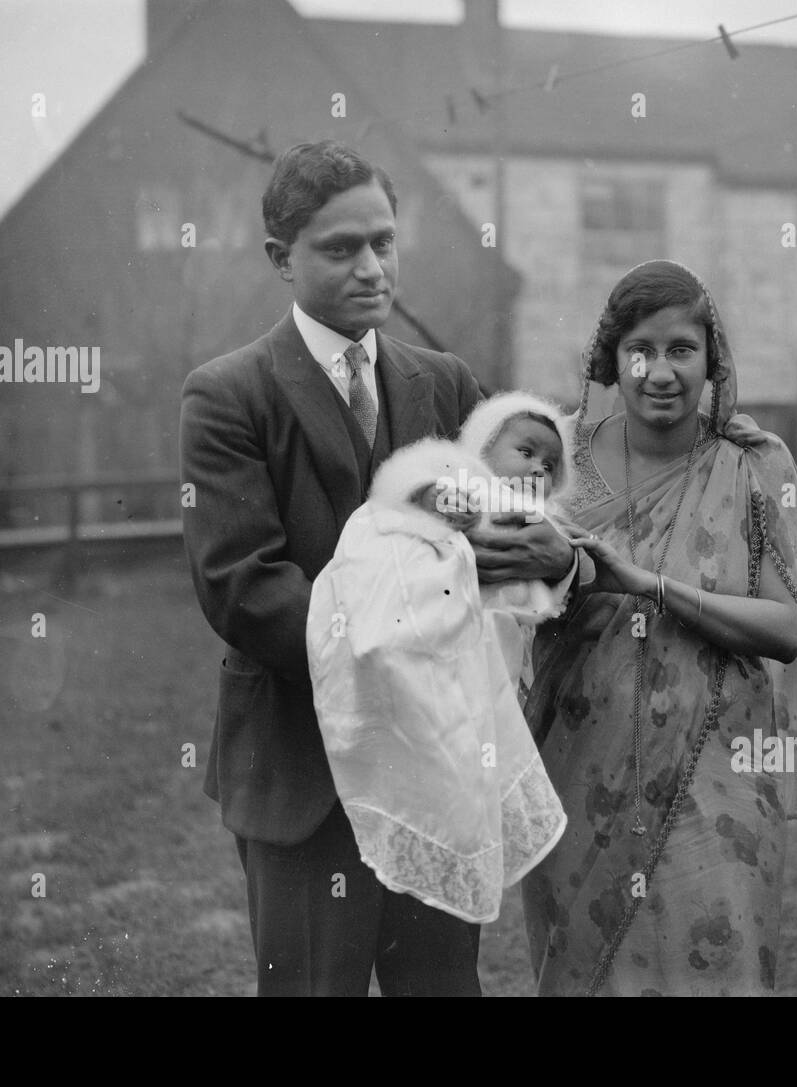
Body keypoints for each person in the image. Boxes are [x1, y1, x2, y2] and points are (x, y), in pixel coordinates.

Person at [178, 139, 575, 997]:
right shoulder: (229, 395)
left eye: (384, 243)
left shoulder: (444, 382)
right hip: (304, 772)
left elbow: (514, 537)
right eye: (340, 248)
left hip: (434, 767)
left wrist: (553, 563)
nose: (371, 267)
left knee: (440, 987)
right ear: (282, 259)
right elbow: (242, 587)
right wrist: (414, 624)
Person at [522, 259, 797, 997]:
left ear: (711, 360)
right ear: (611, 359)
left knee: (716, 962)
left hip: (719, 776)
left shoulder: (750, 468)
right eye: (640, 349)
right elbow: (511, 596)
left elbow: (785, 628)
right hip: (581, 773)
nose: (660, 371)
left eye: (681, 349)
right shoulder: (558, 458)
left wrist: (649, 586)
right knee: (592, 970)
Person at [303, 393, 579, 926]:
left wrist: (551, 566)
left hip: (480, 659)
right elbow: (407, 497)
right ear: (481, 446)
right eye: (525, 451)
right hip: (415, 608)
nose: (537, 469)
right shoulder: (460, 481)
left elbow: (539, 591)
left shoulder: (535, 522)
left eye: (550, 466)